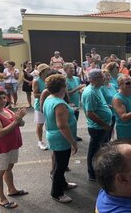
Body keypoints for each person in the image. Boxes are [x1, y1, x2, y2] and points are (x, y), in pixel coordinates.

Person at [0, 89, 27, 209]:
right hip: (1, 149)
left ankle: (12, 189)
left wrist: (19, 118)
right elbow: (0, 133)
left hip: (12, 145)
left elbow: (21, 124)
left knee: (9, 168)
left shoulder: (7, 110)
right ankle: (2, 199)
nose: (3, 100)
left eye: (4, 97)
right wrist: (16, 120)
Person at [42, 74, 78, 203]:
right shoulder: (59, 103)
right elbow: (62, 125)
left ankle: (63, 184)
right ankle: (57, 193)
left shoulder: (49, 98)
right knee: (60, 166)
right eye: (66, 85)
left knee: (59, 163)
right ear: (62, 87)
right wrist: (73, 142)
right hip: (60, 139)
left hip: (54, 136)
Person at [81, 69, 113, 181]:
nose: (104, 78)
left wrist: (108, 107)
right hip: (97, 128)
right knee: (94, 151)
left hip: (102, 126)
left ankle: (100, 169)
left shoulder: (97, 89)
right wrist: (104, 125)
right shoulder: (90, 92)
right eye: (101, 77)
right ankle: (92, 173)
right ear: (94, 80)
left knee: (102, 149)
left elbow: (99, 105)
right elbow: (90, 113)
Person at [64, 62, 86, 141]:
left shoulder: (76, 78)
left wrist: (81, 91)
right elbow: (67, 93)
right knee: (69, 121)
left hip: (76, 103)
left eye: (73, 68)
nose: (73, 70)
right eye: (70, 68)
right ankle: (68, 137)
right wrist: (78, 88)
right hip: (69, 104)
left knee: (75, 121)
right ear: (65, 70)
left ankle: (74, 135)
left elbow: (79, 89)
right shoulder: (64, 80)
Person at [33, 63, 51, 150]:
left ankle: (50, 139)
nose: (49, 71)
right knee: (40, 124)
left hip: (49, 103)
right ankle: (40, 141)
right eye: (48, 69)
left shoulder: (49, 79)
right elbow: (35, 94)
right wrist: (47, 94)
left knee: (49, 122)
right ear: (43, 71)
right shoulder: (36, 81)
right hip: (39, 104)